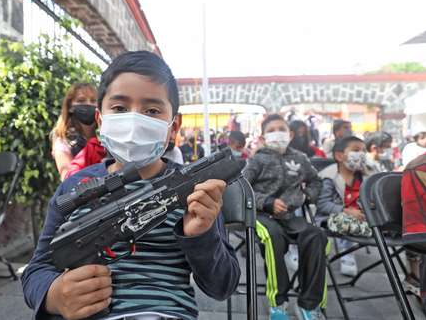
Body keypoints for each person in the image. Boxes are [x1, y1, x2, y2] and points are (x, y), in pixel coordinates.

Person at [21, 51, 240, 320]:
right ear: (101, 121)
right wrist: (55, 295)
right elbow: (36, 270)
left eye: (152, 110)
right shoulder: (75, 188)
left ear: (174, 126)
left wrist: (201, 235)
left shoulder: (194, 191)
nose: (135, 120)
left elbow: (222, 286)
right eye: (120, 108)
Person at [243, 114, 326, 320]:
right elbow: (241, 187)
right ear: (263, 137)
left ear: (289, 134)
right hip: (261, 216)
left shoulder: (299, 158)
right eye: (271, 130)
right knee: (273, 237)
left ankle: (309, 304)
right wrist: (267, 202)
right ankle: (278, 303)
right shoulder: (257, 159)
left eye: (281, 129)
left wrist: (305, 196)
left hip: (289, 216)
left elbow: (316, 181)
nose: (276, 134)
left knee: (316, 235)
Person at [316, 136, 371, 277]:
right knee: (346, 222)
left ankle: (376, 230)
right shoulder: (329, 177)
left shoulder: (366, 176)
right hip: (331, 218)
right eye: (356, 150)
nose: (362, 154)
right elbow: (322, 204)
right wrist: (345, 211)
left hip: (361, 217)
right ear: (339, 156)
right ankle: (347, 252)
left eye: (364, 151)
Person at [50, 82, 105, 180]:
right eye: (81, 100)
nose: (88, 104)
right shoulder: (64, 140)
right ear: (70, 107)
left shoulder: (104, 135)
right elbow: (68, 179)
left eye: (93, 101)